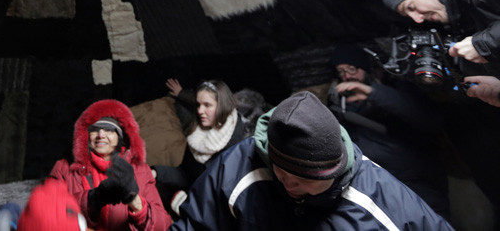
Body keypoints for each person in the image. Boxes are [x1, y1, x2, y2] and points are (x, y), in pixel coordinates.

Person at [170, 91, 454, 230]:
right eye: (281, 171)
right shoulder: (239, 166)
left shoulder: (379, 197)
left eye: (306, 179)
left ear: (334, 172)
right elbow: (194, 225)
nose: (289, 184)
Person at [326, 44, 450, 218]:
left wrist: (373, 93)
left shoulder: (399, 89)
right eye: (341, 71)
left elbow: (428, 119)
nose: (347, 76)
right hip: (378, 185)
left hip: (416, 181)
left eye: (352, 69)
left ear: (367, 68)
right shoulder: (344, 104)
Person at [49, 99, 171, 231]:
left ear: (120, 137)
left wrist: (134, 201)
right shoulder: (64, 168)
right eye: (95, 130)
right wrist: (93, 199)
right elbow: (46, 215)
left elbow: (163, 226)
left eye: (109, 130)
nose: (101, 135)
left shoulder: (141, 171)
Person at [152, 79, 266, 217]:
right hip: (192, 194)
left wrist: (187, 205)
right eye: (198, 104)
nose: (200, 111)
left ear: (222, 106)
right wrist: (156, 172)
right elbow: (185, 173)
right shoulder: (196, 133)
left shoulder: (240, 145)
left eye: (207, 105)